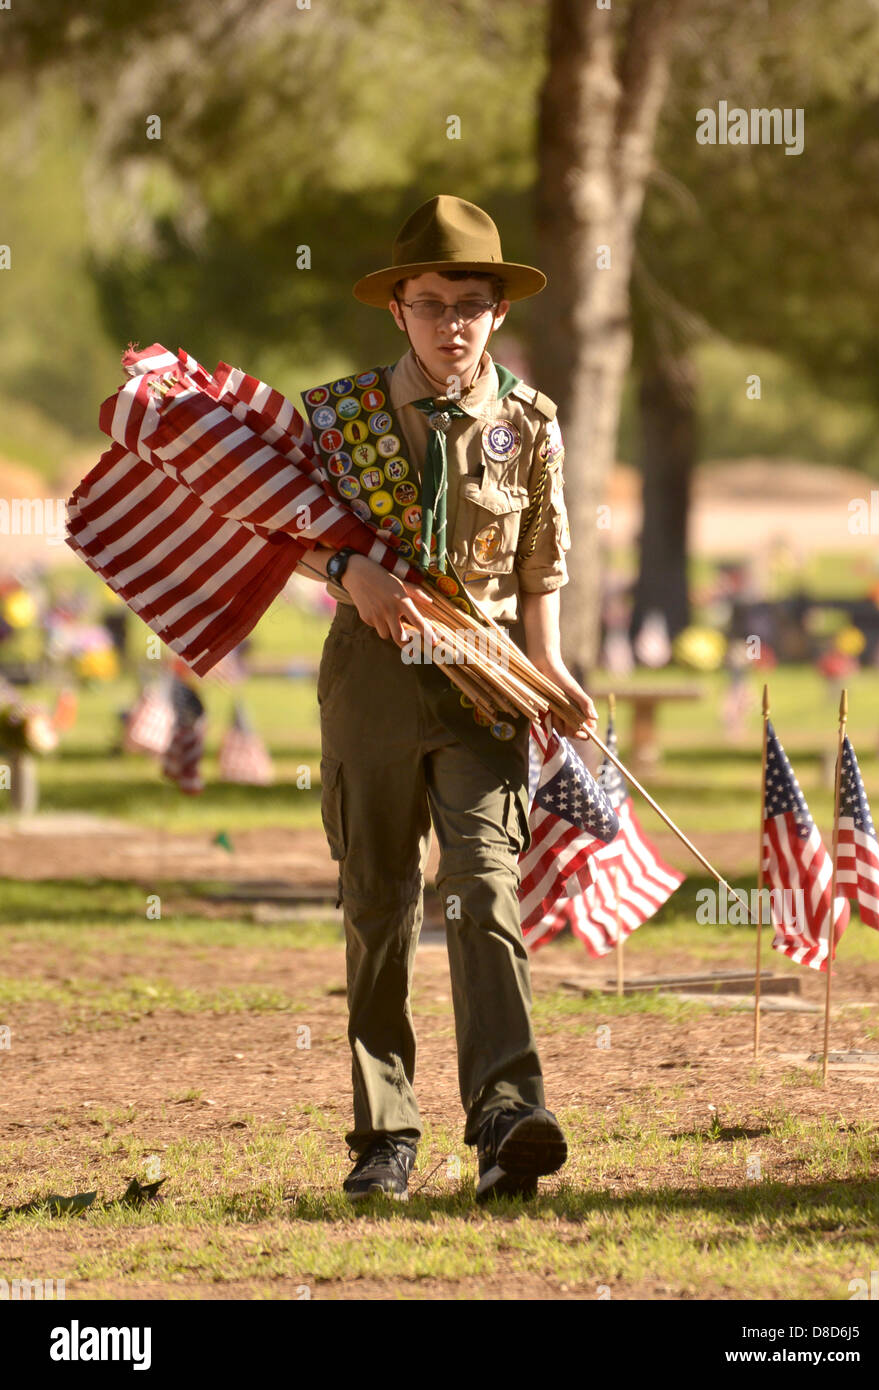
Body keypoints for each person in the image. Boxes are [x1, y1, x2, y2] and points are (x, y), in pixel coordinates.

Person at [294, 194, 598, 1203]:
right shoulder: (338, 418)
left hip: (482, 678)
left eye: (472, 303)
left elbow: (541, 560)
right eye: (432, 304)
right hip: (371, 674)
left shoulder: (531, 422)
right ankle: (384, 1132)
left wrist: (549, 668)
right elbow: (285, 530)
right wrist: (348, 572)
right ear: (398, 311)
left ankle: (507, 1116)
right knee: (378, 903)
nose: (452, 324)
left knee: (484, 885)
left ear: (497, 312)